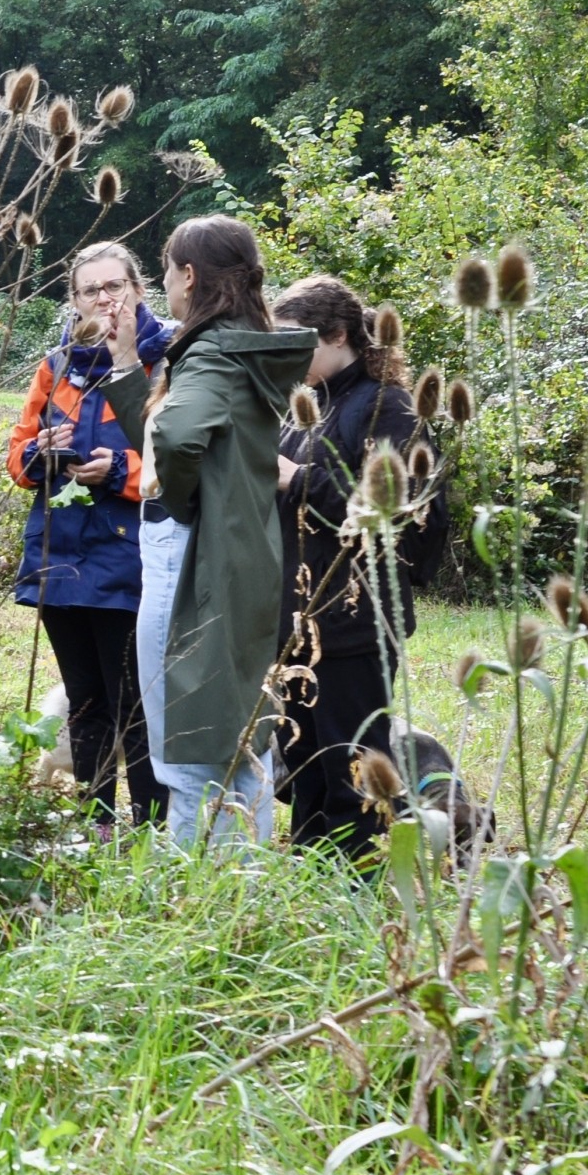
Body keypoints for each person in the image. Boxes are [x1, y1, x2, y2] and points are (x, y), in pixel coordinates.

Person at [102, 216, 313, 847]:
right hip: (243, 551)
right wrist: (121, 361)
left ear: (188, 276)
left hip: (192, 553)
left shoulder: (213, 351)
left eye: (166, 271)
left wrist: (181, 499)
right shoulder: (243, 349)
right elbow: (166, 435)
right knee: (238, 735)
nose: (165, 284)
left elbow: (175, 438)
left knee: (188, 743)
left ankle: (193, 898)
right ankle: (243, 891)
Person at [5, 243, 171, 830]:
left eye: (114, 286)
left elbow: (174, 457)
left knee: (136, 703)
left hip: (130, 553)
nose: (104, 298)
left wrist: (119, 471)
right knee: (85, 700)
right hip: (61, 551)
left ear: (139, 289)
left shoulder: (166, 358)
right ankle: (97, 822)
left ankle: (152, 828)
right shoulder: (56, 365)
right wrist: (41, 454)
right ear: (73, 301)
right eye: (89, 290)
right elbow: (17, 456)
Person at [272, 275, 423, 856]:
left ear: (337, 335)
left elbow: (397, 506)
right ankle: (313, 879)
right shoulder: (315, 402)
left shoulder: (388, 405)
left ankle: (355, 883)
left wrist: (296, 479)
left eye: (295, 341)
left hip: (356, 621)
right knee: (305, 765)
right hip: (305, 618)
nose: (285, 356)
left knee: (350, 764)